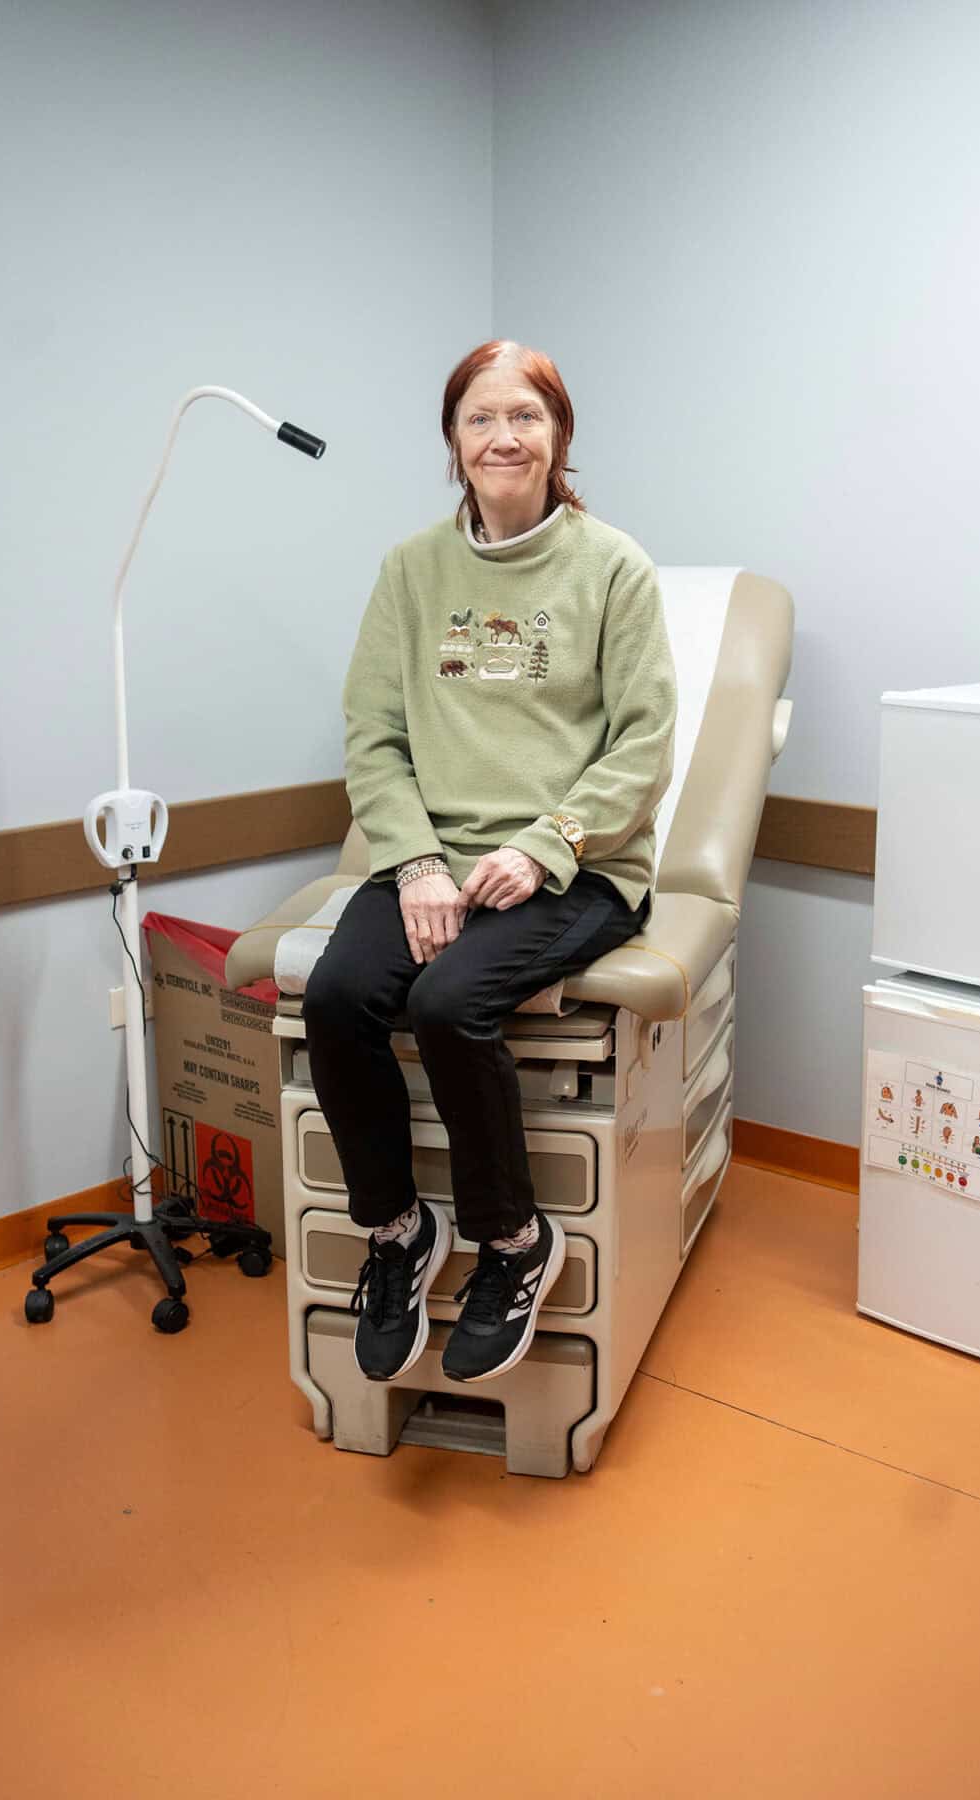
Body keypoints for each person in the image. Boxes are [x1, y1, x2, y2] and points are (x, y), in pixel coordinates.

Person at [302, 339, 677, 1386]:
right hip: (436, 857)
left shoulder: (614, 569)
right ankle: (395, 1232)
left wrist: (548, 840)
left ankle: (513, 1242)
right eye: (480, 418)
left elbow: (646, 742)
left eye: (525, 416)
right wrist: (416, 861)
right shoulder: (412, 571)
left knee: (449, 999)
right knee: (336, 996)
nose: (503, 436)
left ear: (557, 436)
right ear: (453, 441)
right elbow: (373, 734)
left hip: (578, 864)